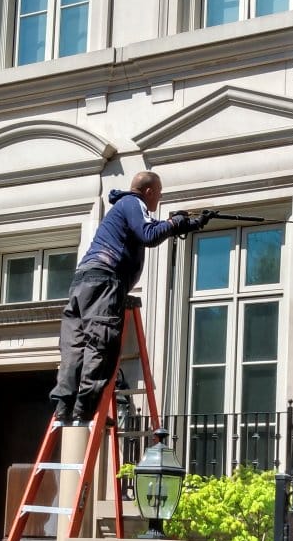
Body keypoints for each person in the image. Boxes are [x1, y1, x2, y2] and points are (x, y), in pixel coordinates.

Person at [50, 171, 206, 424]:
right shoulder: (134, 203)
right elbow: (149, 234)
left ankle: (64, 404)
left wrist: (189, 224)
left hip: (82, 283)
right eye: (159, 193)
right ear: (149, 191)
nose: (160, 197)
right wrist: (176, 223)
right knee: (101, 343)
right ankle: (86, 407)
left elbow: (151, 228)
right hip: (104, 280)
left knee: (74, 346)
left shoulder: (122, 208)